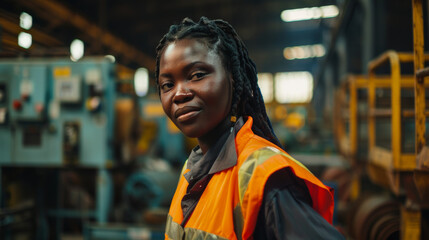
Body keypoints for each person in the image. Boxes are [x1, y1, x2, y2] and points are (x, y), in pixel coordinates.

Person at [155, 17, 344, 240]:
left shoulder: (265, 179)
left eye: (197, 75)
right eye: (167, 85)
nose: (179, 94)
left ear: (233, 79)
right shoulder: (191, 170)